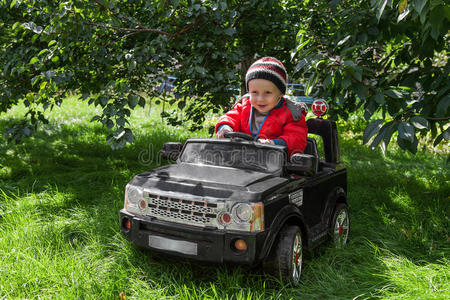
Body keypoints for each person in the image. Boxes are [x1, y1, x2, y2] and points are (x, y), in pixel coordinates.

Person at [215, 57, 308, 156]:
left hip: (274, 162)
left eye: (267, 93)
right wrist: (225, 127)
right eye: (254, 92)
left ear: (280, 94)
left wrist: (274, 144)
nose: (260, 99)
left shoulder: (291, 113)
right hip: (240, 158)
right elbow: (230, 117)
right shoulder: (244, 106)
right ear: (248, 91)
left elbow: (297, 139)